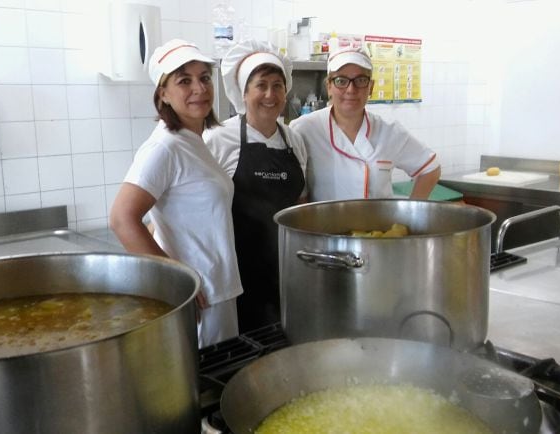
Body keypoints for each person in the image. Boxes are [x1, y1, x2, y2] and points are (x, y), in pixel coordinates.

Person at [109, 39, 242, 348]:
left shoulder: (194, 142)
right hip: (198, 297)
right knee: (205, 386)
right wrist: (176, 282)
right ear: (163, 94)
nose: (200, 88)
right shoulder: (164, 146)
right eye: (184, 80)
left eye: (204, 78)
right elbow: (121, 218)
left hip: (216, 288)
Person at [204, 39, 307, 333]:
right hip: (236, 272)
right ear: (243, 92)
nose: (270, 94)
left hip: (286, 270)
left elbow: (300, 202)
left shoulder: (294, 140)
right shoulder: (217, 139)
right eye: (261, 85)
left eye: (278, 85)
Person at [290, 45, 440, 201]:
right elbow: (299, 192)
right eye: (341, 81)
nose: (351, 89)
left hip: (378, 225)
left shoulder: (389, 132)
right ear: (329, 86)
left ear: (371, 87)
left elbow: (430, 168)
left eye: (361, 80)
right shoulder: (304, 129)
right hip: (325, 225)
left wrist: (411, 214)